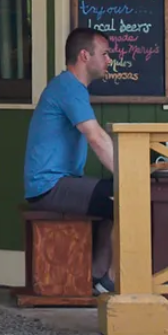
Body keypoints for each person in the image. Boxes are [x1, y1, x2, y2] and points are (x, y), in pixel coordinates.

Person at [23, 26, 120, 295]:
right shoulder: (69, 88)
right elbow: (96, 137)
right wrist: (130, 176)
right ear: (84, 56)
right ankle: (113, 279)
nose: (109, 59)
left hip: (57, 183)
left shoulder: (69, 87)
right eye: (105, 54)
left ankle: (97, 274)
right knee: (127, 197)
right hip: (49, 186)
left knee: (115, 196)